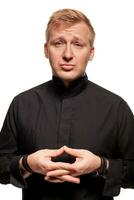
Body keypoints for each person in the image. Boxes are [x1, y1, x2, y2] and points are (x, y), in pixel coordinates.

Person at [0, 8, 134, 200]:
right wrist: (27, 163)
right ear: (46, 50)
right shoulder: (21, 104)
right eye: (58, 43)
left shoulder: (116, 107)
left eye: (78, 44)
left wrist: (100, 165)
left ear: (91, 52)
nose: (68, 54)